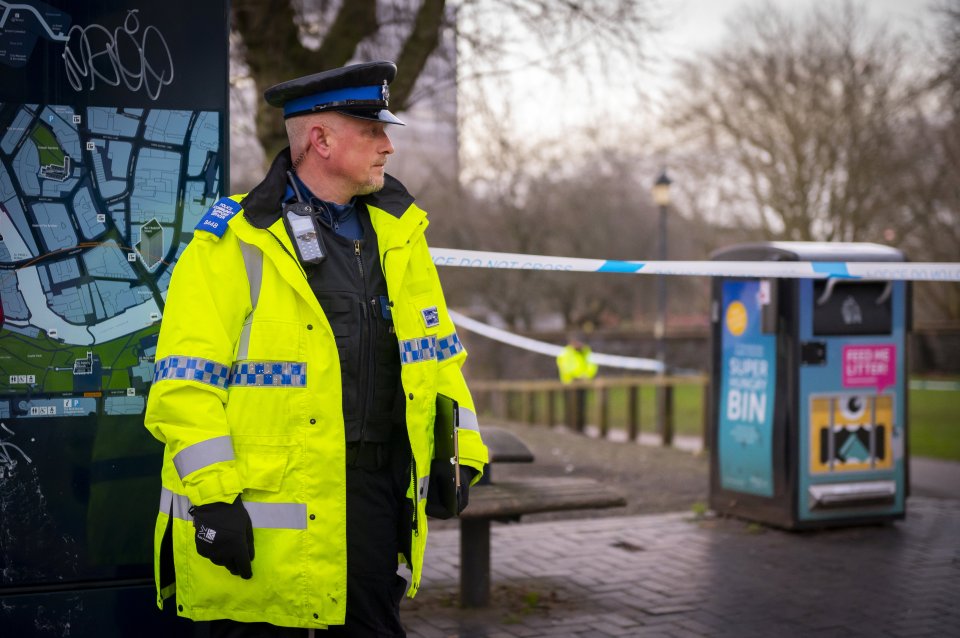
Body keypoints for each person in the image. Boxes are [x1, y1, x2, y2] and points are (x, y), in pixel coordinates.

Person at [144, 60, 488, 637]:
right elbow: (184, 383)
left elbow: (439, 357)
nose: (388, 147)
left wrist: (463, 455)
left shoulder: (402, 235)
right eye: (372, 131)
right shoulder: (233, 242)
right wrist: (213, 498)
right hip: (262, 513)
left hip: (376, 502)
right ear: (320, 139)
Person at [556, 336, 598, 430]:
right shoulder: (566, 353)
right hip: (569, 383)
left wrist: (586, 376)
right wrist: (577, 376)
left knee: (581, 405)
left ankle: (580, 427)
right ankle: (570, 426)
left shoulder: (587, 352)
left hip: (582, 383)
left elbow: (592, 365)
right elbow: (565, 366)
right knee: (570, 406)